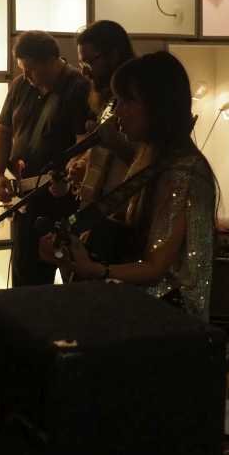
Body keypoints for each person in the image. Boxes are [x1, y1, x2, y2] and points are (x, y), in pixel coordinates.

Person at [38, 51, 217, 321]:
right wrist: (71, 254)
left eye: (126, 101)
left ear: (157, 106)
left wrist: (98, 271)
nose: (118, 111)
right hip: (140, 311)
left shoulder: (184, 172)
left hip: (170, 321)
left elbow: (156, 268)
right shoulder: (149, 158)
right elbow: (125, 239)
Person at [0, 30, 91, 287]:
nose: (26, 76)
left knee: (76, 283)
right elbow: (2, 131)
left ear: (51, 61)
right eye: (22, 70)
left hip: (63, 204)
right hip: (26, 203)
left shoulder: (78, 88)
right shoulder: (20, 86)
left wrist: (72, 174)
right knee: (26, 285)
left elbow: (85, 145)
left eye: (31, 70)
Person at [68, 20, 137, 205]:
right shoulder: (109, 99)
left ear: (114, 55)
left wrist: (113, 141)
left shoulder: (140, 99)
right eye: (82, 63)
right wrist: (83, 164)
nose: (84, 72)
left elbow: (151, 160)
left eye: (89, 62)